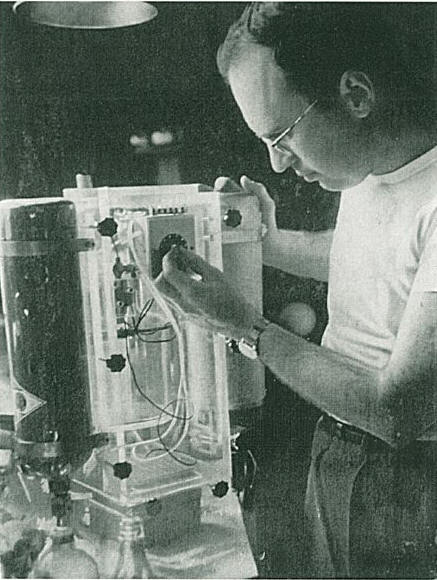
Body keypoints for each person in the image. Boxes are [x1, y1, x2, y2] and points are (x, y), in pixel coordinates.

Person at [156, 3, 437, 578]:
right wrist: (267, 242)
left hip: (408, 479)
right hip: (339, 448)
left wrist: (246, 327)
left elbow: (396, 412)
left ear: (356, 95)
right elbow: (376, 261)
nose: (278, 164)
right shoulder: (371, 168)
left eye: (282, 135)